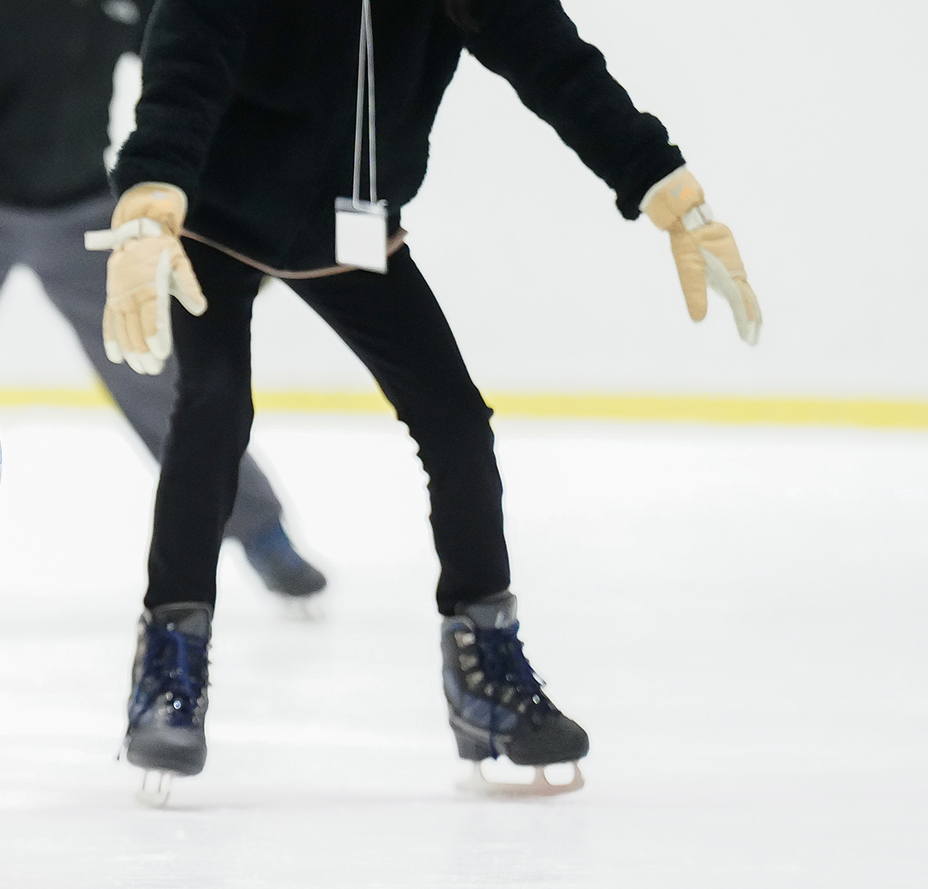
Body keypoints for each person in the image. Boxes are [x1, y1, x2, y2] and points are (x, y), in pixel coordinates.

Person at [94, 0, 760, 794]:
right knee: (214, 404)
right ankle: (169, 664)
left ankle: (485, 669)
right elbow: (187, 55)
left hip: (348, 230)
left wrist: (670, 188)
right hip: (208, 219)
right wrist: (149, 197)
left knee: (455, 422)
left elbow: (555, 65)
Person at [0, 0, 326, 602]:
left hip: (84, 215)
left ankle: (260, 530)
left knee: (158, 376)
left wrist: (240, 175)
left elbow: (183, 67)